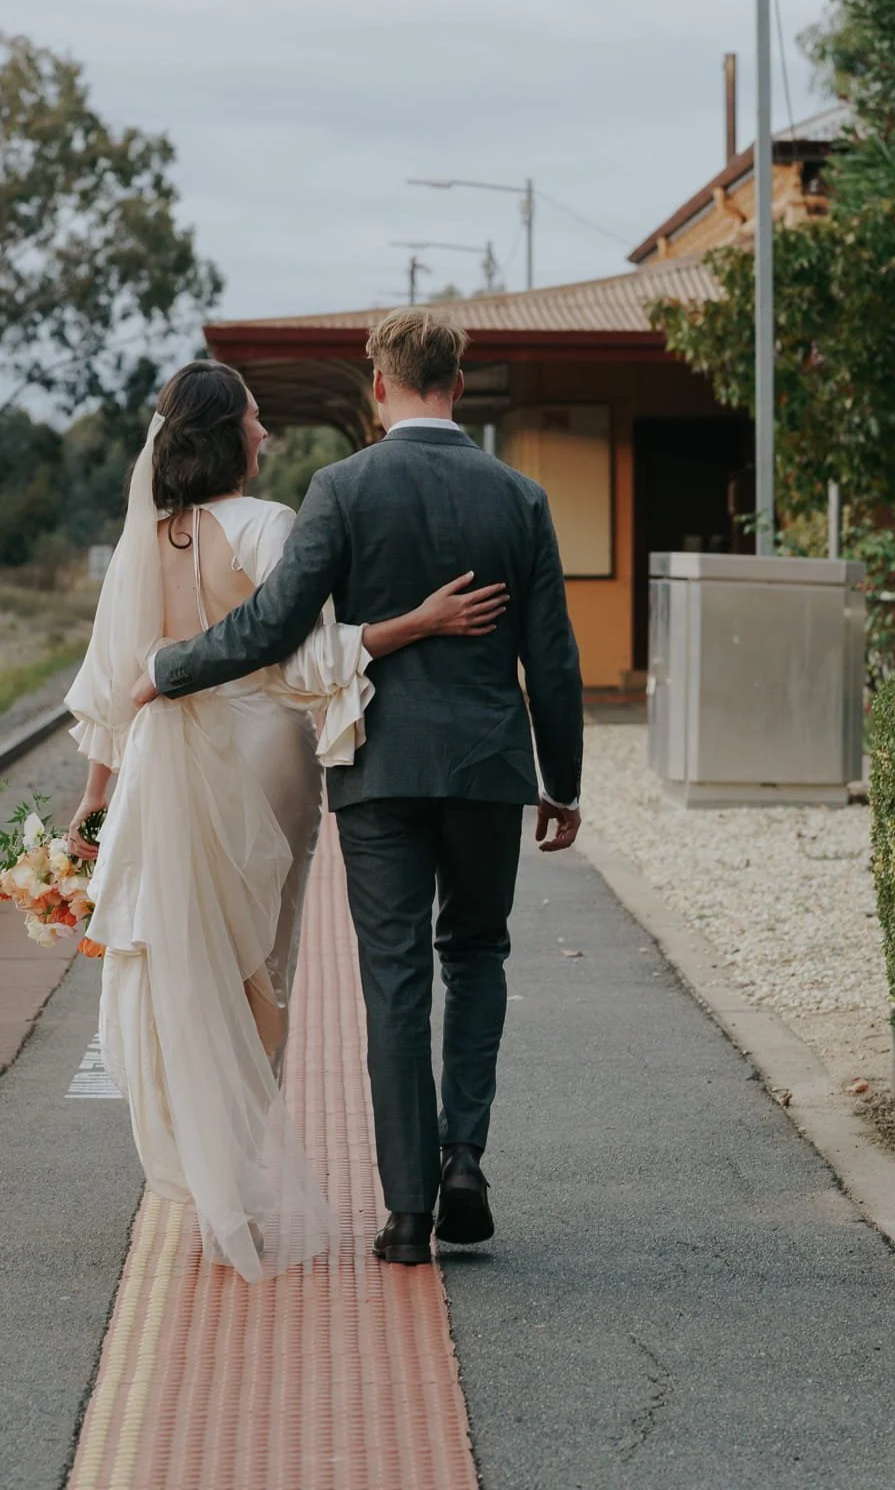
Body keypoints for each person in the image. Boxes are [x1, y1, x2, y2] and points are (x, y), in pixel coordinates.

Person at [138, 309, 584, 1267]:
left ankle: (408, 1215)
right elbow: (551, 655)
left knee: (394, 978)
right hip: (487, 770)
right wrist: (564, 780)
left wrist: (169, 667)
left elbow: (269, 626)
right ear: (455, 385)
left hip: (380, 768)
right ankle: (464, 1155)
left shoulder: (342, 487)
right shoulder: (520, 498)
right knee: (476, 954)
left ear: (377, 386)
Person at [62, 360, 507, 1282]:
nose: (266, 434)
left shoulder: (147, 538)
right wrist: (415, 624)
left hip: (157, 763)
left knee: (182, 961)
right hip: (262, 751)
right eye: (257, 420)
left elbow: (113, 688)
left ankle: (211, 1182)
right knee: (262, 972)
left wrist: (93, 801)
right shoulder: (268, 527)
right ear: (227, 435)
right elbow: (303, 659)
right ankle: (243, 1180)